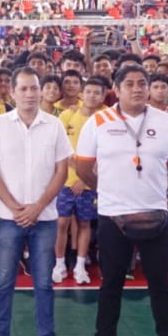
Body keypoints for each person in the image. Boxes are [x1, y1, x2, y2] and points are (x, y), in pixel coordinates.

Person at [75, 64, 168, 336]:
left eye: (143, 83)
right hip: (113, 216)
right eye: (130, 84)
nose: (138, 89)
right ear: (117, 88)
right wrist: (107, 189)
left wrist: (151, 190)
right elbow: (84, 167)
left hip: (154, 214)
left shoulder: (167, 122)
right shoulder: (98, 122)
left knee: (160, 286)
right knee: (110, 285)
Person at [0, 67, 73, 336]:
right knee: (4, 281)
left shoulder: (55, 126)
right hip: (8, 218)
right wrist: (16, 207)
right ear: (12, 92)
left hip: (44, 218)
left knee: (44, 283)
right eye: (24, 89)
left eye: (34, 88)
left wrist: (38, 206)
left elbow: (61, 171)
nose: (30, 94)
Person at [53, 75, 107, 285]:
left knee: (85, 224)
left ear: (103, 96)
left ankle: (80, 266)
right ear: (82, 94)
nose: (92, 96)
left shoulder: (105, 118)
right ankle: (58, 264)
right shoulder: (67, 115)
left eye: (97, 92)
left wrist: (85, 180)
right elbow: (61, 148)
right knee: (61, 224)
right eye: (89, 92)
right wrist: (77, 174)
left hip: (90, 183)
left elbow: (106, 153)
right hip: (66, 181)